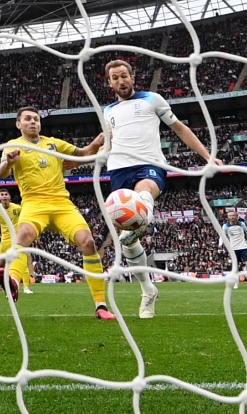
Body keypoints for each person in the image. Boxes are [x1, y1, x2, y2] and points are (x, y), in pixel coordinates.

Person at [101, 60, 222, 319]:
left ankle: (144, 214)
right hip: (118, 170)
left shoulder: (152, 99)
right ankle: (148, 290)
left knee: (144, 194)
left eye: (124, 76)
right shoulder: (107, 110)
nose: (121, 81)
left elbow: (180, 128)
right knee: (125, 241)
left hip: (149, 164)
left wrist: (207, 156)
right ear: (109, 83)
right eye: (115, 78)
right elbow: (109, 143)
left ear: (132, 77)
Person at [0, 108, 115, 320]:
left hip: (62, 203)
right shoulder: (13, 146)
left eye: (36, 119)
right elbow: (1, 171)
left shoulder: (54, 143)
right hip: (34, 203)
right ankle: (12, 280)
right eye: (27, 119)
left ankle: (101, 305)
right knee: (23, 235)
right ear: (18, 124)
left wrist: (96, 144)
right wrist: (9, 163)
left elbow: (83, 153)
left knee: (88, 242)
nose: (32, 122)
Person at [0, 189, 32, 297]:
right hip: (5, 241)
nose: (4, 196)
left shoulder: (17, 208)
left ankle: (26, 288)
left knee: (22, 263)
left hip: (17, 240)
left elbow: (27, 217)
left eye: (6, 194)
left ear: (9, 197)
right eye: (2, 195)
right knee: (1, 264)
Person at [221, 211, 247, 290]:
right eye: (230, 216)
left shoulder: (242, 224)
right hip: (233, 249)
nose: (232, 217)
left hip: (243, 248)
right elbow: (222, 236)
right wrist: (220, 243)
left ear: (236, 216)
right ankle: (236, 284)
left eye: (233, 215)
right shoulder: (225, 226)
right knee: (235, 268)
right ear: (228, 217)